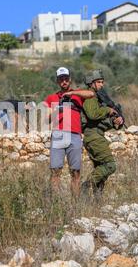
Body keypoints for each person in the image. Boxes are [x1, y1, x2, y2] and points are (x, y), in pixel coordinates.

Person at [44, 67, 94, 199]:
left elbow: (91, 94)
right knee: (55, 171)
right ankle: (55, 204)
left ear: (70, 80)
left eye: (66, 79)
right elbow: (46, 118)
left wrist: (72, 95)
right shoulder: (51, 98)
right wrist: (56, 109)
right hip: (58, 134)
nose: (64, 81)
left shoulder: (78, 95)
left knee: (75, 172)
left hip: (75, 134)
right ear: (57, 81)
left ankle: (75, 203)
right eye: (61, 79)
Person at [81, 70, 123, 202]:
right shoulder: (90, 97)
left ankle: (97, 201)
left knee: (101, 171)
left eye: (102, 82)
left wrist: (114, 121)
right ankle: (86, 185)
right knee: (110, 165)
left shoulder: (98, 98)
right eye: (99, 82)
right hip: (93, 136)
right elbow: (93, 114)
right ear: (91, 83)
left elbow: (99, 122)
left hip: (97, 134)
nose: (101, 85)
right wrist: (108, 110)